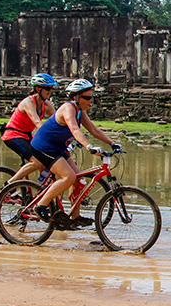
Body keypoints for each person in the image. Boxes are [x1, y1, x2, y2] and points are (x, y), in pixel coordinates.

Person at [28, 79, 120, 230]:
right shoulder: (68, 108)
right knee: (68, 177)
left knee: (78, 179)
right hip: (44, 147)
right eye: (87, 98)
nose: (90, 101)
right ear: (75, 97)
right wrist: (88, 146)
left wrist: (112, 143)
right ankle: (40, 206)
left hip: (58, 149)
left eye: (92, 97)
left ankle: (74, 218)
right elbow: (74, 129)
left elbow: (94, 130)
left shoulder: (80, 111)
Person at [1, 73, 58, 183]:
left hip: (27, 136)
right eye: (47, 88)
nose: (50, 91)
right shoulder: (28, 102)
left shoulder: (46, 104)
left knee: (46, 162)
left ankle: (40, 191)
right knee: (37, 162)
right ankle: (8, 186)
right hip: (13, 136)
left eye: (51, 88)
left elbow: (58, 120)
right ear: (37, 89)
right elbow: (37, 122)